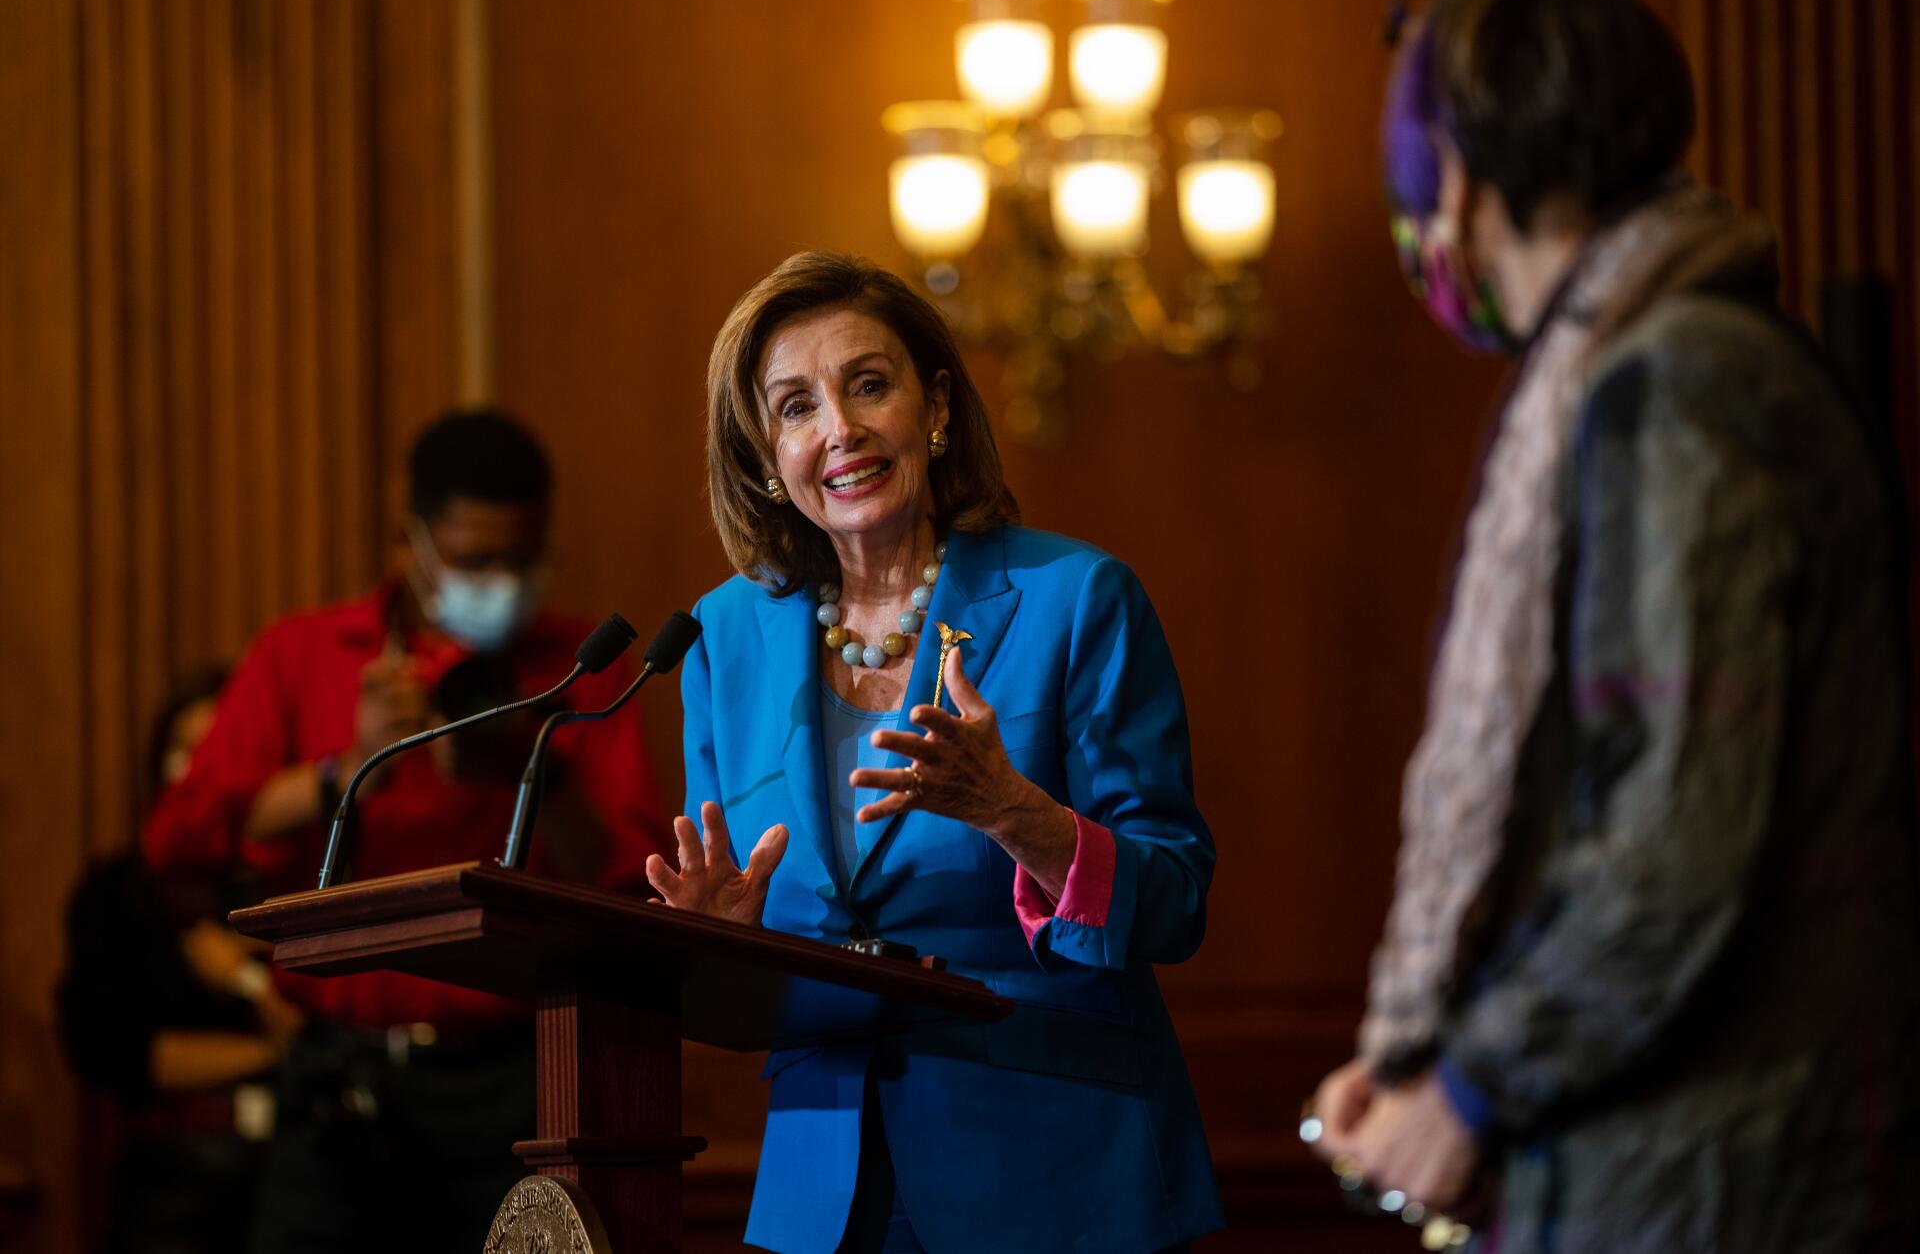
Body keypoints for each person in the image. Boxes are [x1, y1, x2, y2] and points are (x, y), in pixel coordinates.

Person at [1304, 0, 1920, 1251]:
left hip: (1709, 1169)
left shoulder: (1683, 380)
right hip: (1658, 1150)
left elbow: (1669, 841)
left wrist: (1470, 1088)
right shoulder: (1645, 365)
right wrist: (1428, 1052)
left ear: (1465, 181)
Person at [645, 251, 1221, 1253]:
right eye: (795, 406)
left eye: (868, 385)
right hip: (825, 1193)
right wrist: (715, 942)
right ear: (760, 455)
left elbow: (1173, 898)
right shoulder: (720, 638)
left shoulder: (1077, 599)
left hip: (1056, 1170)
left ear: (936, 403)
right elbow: (744, 969)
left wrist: (1015, 812)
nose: (839, 430)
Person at [142, 410, 669, 1254]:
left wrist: (535, 766)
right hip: (340, 1082)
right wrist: (342, 767)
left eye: (521, 560)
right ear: (411, 544)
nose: (499, 581)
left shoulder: (581, 666)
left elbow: (634, 884)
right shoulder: (307, 653)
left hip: (515, 1078)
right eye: (473, 561)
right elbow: (179, 837)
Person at [59, 667, 302, 1254]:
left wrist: (244, 981)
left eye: (214, 749)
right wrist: (276, 1051)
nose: (194, 768)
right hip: (174, 1179)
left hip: (298, 1168)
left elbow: (326, 1029)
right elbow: (118, 1050)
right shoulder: (120, 892)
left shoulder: (292, 887)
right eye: (181, 749)